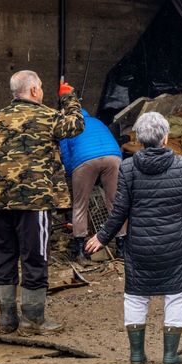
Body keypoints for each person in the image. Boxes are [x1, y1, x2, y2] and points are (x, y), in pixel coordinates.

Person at [85, 111, 182, 364]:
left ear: (139, 140)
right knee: (176, 296)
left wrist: (101, 237)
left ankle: (136, 355)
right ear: (165, 138)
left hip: (140, 247)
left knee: (136, 297)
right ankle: (169, 356)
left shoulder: (127, 168)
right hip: (177, 247)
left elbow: (119, 210)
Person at [0, 71, 84, 335]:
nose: (42, 91)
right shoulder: (47, 116)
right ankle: (33, 320)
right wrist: (69, 98)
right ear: (34, 90)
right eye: (42, 87)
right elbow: (76, 124)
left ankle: (7, 319)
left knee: (2, 257)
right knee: (35, 257)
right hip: (34, 203)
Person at [60, 109, 124, 263]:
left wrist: (71, 173)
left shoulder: (67, 125)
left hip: (85, 160)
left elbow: (66, 154)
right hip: (113, 157)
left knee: (80, 204)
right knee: (116, 203)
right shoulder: (97, 121)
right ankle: (122, 248)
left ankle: (81, 250)